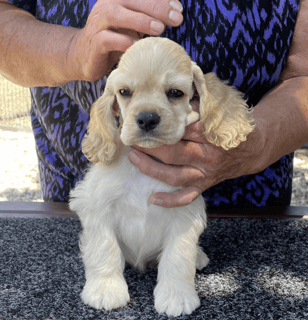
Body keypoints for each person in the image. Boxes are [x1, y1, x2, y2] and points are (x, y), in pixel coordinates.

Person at [0, 0, 308, 209]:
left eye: (175, 92)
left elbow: (304, 72)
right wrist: (70, 49)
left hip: (248, 202)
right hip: (88, 187)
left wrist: (261, 139)